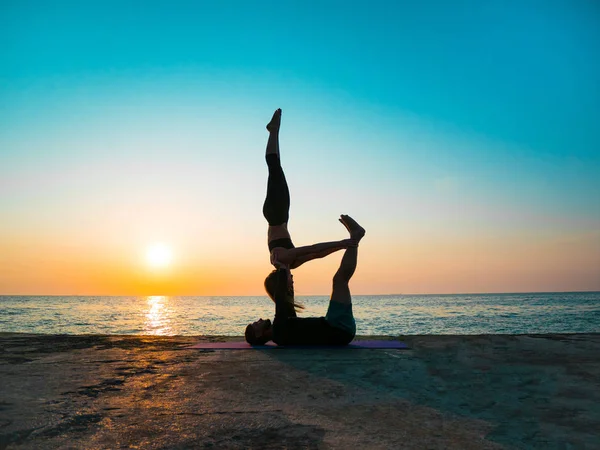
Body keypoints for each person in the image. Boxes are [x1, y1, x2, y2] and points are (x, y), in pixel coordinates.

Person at [261, 108, 355, 311]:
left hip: (275, 213)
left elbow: (313, 248)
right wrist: (343, 246)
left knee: (274, 168)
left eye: (290, 283)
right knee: (277, 168)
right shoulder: (290, 263)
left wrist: (343, 243)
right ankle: (274, 131)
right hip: (280, 214)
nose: (292, 281)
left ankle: (273, 131)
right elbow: (317, 255)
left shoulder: (281, 259)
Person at [245, 214, 365, 346]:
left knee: (340, 280)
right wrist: (281, 267)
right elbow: (280, 298)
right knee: (340, 280)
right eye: (255, 324)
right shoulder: (279, 331)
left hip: (338, 328)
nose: (259, 319)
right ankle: (355, 237)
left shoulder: (283, 327)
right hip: (338, 328)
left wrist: (342, 245)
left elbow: (315, 253)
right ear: (258, 334)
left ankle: (354, 239)